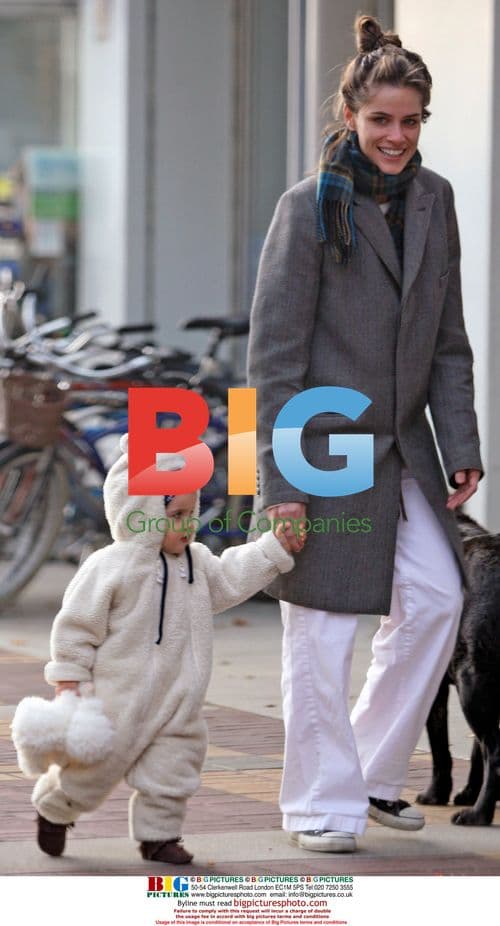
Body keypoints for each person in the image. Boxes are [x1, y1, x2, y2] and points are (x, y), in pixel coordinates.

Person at [247, 14, 483, 854]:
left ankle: (373, 775)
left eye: (411, 120)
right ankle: (319, 802)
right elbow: (272, 357)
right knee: (319, 623)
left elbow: (447, 336)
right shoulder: (308, 207)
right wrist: (279, 487)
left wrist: (461, 442)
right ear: (349, 114)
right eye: (380, 119)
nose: (396, 135)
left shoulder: (435, 198)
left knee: (438, 600)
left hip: (407, 447)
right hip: (323, 446)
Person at [29, 434, 302, 864]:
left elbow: (232, 577)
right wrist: (69, 682)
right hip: (117, 702)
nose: (187, 524)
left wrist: (272, 549)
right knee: (89, 775)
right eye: (174, 514)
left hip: (179, 699)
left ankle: (160, 837)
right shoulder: (110, 566)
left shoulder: (195, 563)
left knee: (173, 773)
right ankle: (55, 807)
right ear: (141, 513)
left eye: (191, 513)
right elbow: (76, 627)